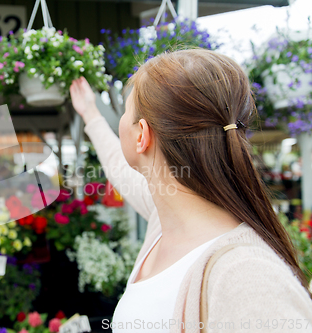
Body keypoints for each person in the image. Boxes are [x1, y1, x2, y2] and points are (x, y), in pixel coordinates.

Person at [70, 49, 312, 333]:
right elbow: (120, 170)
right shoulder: (166, 220)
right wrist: (90, 112)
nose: (121, 119)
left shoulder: (247, 276)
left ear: (142, 136)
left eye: (125, 111)